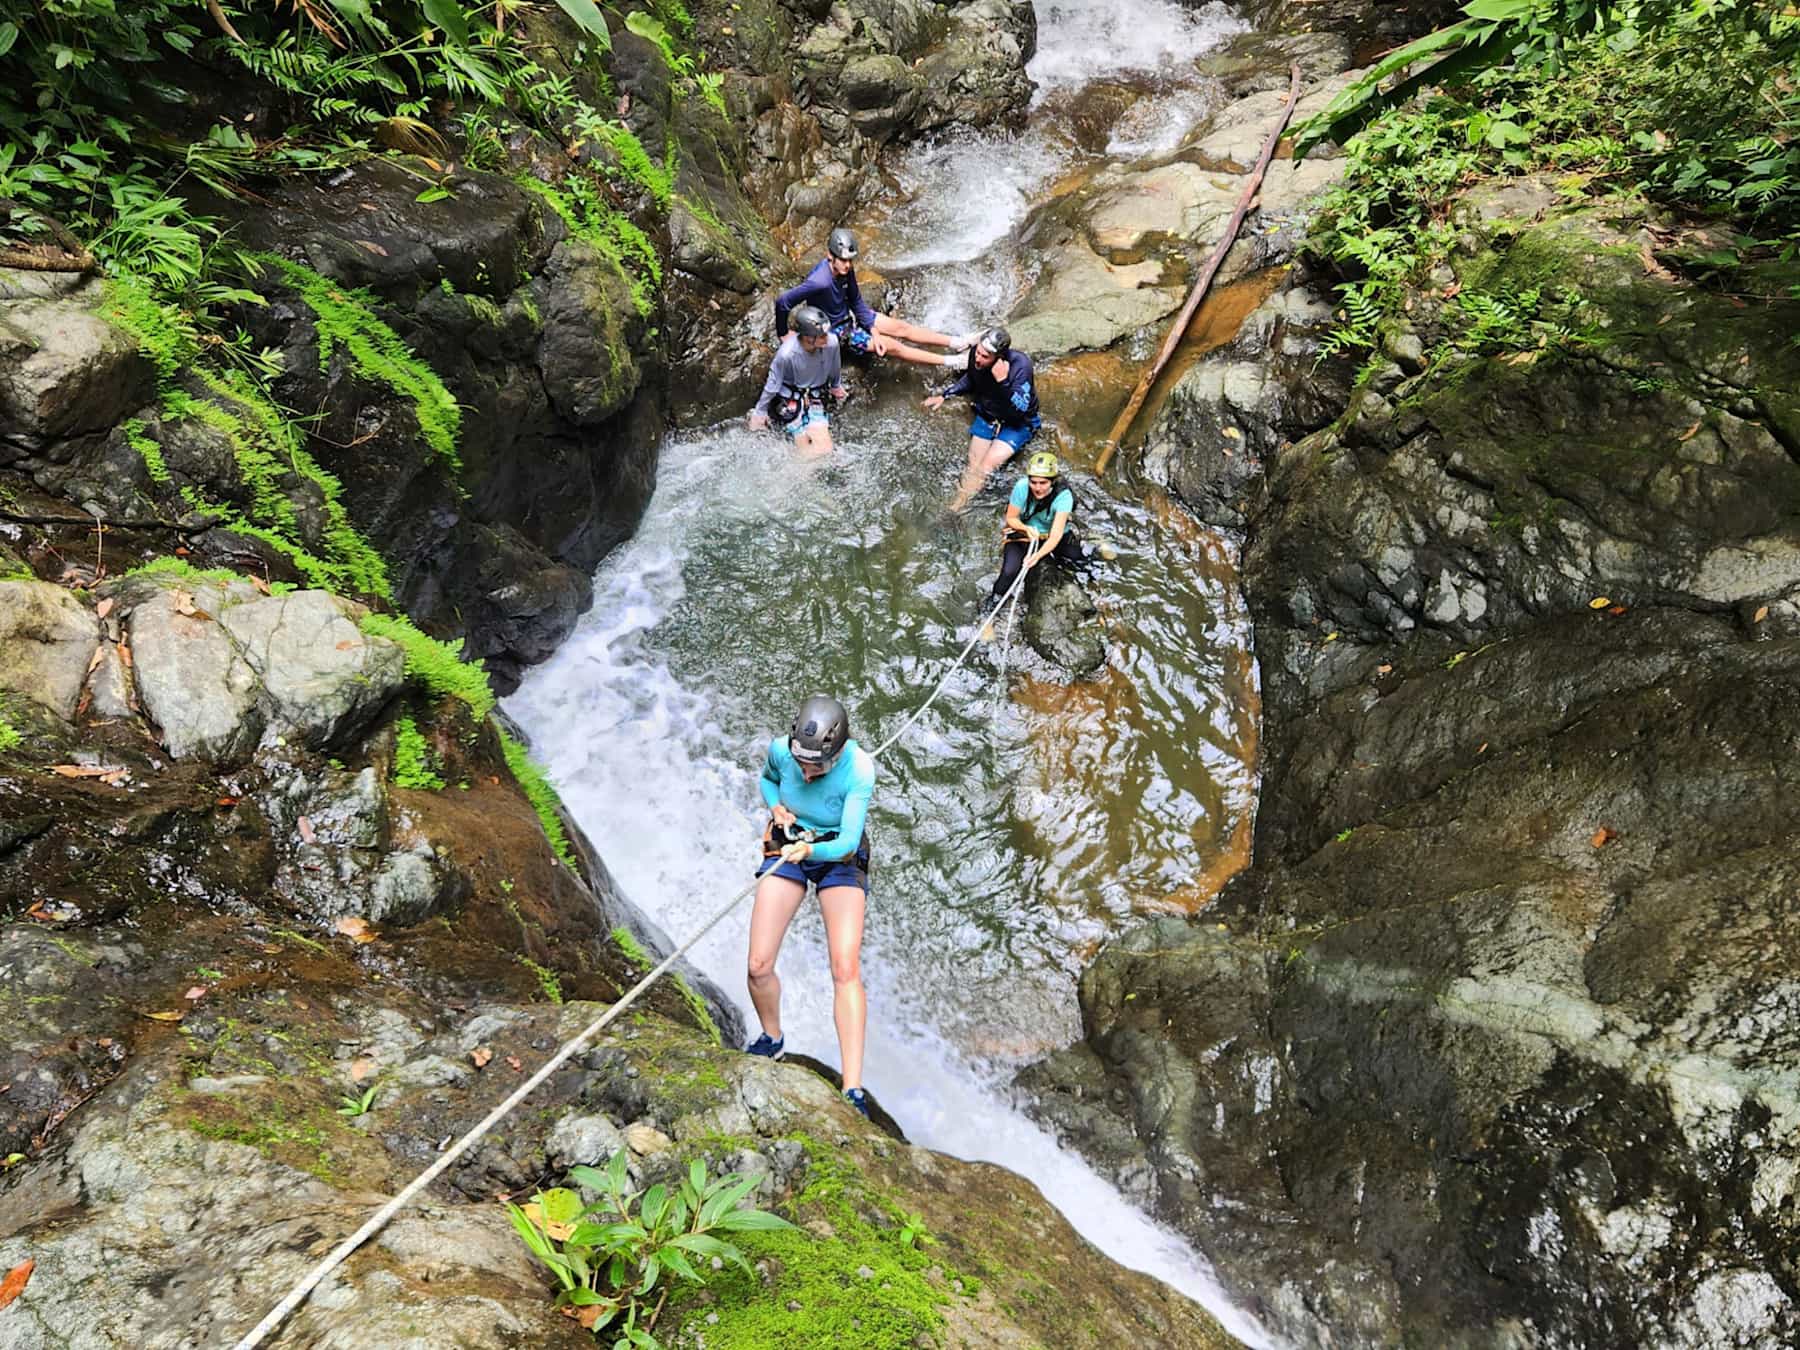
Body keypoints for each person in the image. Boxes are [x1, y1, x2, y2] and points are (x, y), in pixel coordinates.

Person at [745, 693, 877, 1119]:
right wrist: (776, 806)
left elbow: (847, 841)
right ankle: (772, 1037)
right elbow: (768, 779)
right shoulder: (782, 752)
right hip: (789, 845)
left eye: (815, 766)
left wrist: (810, 852)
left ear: (835, 756)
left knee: (845, 967)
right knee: (758, 964)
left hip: (836, 856)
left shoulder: (858, 769)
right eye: (801, 762)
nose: (805, 771)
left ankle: (852, 1086)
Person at [774, 227, 973, 369]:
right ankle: (953, 362)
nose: (847, 265)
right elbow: (783, 302)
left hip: (849, 314)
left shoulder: (845, 271)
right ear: (830, 256)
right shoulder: (820, 282)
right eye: (843, 260)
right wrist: (783, 333)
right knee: (893, 346)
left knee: (900, 327)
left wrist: (873, 330)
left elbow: (856, 301)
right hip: (837, 330)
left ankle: (957, 342)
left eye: (850, 260)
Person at [923, 326, 1041, 511]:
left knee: (987, 466)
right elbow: (971, 378)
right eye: (978, 353)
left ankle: (955, 509)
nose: (978, 358)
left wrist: (1003, 381)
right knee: (973, 465)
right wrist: (945, 394)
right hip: (989, 415)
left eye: (985, 357)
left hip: (1017, 423)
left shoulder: (1021, 366)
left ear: (999, 358)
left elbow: (1021, 408)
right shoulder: (976, 356)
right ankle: (956, 505)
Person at [987, 451, 1089, 610]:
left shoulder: (1063, 497)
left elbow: (1055, 536)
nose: (1037, 488)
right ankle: (990, 609)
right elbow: (1011, 518)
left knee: (1079, 561)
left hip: (1053, 533)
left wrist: (1037, 556)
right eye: (1033, 482)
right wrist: (1025, 528)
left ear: (1052, 481)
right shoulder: (1021, 487)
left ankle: (1099, 550)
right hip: (1024, 534)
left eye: (1043, 483)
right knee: (1009, 572)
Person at [748, 303, 848, 456]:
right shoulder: (787, 354)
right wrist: (760, 412)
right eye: (822, 336)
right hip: (790, 398)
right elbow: (773, 383)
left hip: (814, 396)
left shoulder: (831, 342)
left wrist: (836, 386)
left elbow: (834, 365)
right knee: (804, 447)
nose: (826, 338)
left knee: (825, 449)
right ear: (808, 338)